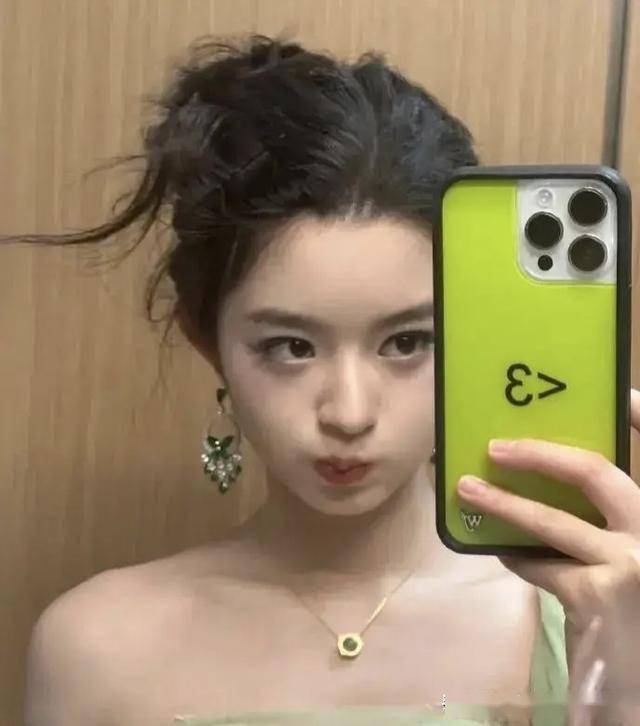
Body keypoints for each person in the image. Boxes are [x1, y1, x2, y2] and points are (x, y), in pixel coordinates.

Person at [17, 32, 619, 726]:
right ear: (208, 343)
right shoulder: (96, 649)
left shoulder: (590, 621)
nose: (349, 413)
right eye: (292, 347)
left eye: (407, 342)